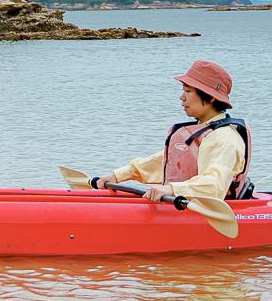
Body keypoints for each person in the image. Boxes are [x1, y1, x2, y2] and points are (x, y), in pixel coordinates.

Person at [91, 59, 253, 202]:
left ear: (211, 97)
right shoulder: (202, 132)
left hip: (207, 210)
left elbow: (214, 185)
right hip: (183, 204)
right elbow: (165, 161)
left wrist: (171, 189)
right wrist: (119, 175)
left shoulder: (225, 139)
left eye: (188, 91)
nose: (182, 97)